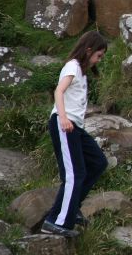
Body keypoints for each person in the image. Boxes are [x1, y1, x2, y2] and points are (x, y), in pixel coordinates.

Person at [41, 31, 109, 238]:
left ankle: (72, 207)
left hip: (75, 128)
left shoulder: (81, 71)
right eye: (98, 56)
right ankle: (56, 222)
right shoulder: (72, 66)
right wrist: (63, 118)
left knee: (98, 162)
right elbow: (58, 91)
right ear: (88, 50)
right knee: (73, 175)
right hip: (65, 124)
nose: (99, 60)